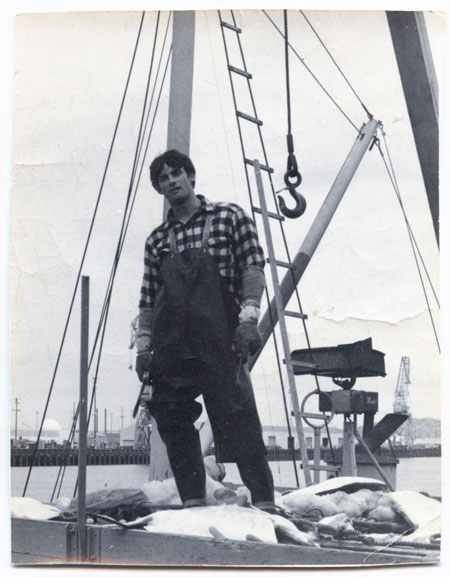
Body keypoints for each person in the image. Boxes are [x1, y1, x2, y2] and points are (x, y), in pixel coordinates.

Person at [135, 149, 275, 510]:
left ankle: (264, 502)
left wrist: (248, 318)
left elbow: (253, 268)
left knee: (237, 416)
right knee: (169, 414)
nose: (171, 181)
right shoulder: (157, 240)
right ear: (159, 188)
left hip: (220, 338)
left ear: (191, 177)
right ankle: (194, 500)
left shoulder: (230, 218)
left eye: (176, 173)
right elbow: (149, 299)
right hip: (173, 345)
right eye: (163, 178)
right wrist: (143, 347)